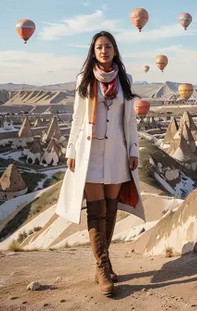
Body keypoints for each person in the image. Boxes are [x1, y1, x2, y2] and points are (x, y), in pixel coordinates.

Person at [56, 31, 145, 296]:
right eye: (98, 47)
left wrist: (133, 149)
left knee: (110, 209)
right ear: (92, 52)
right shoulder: (83, 80)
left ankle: (102, 264)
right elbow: (76, 119)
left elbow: (129, 120)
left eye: (108, 46)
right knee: (96, 211)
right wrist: (71, 150)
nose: (103, 51)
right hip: (90, 154)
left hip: (117, 152)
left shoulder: (126, 80)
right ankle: (103, 268)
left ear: (115, 50)